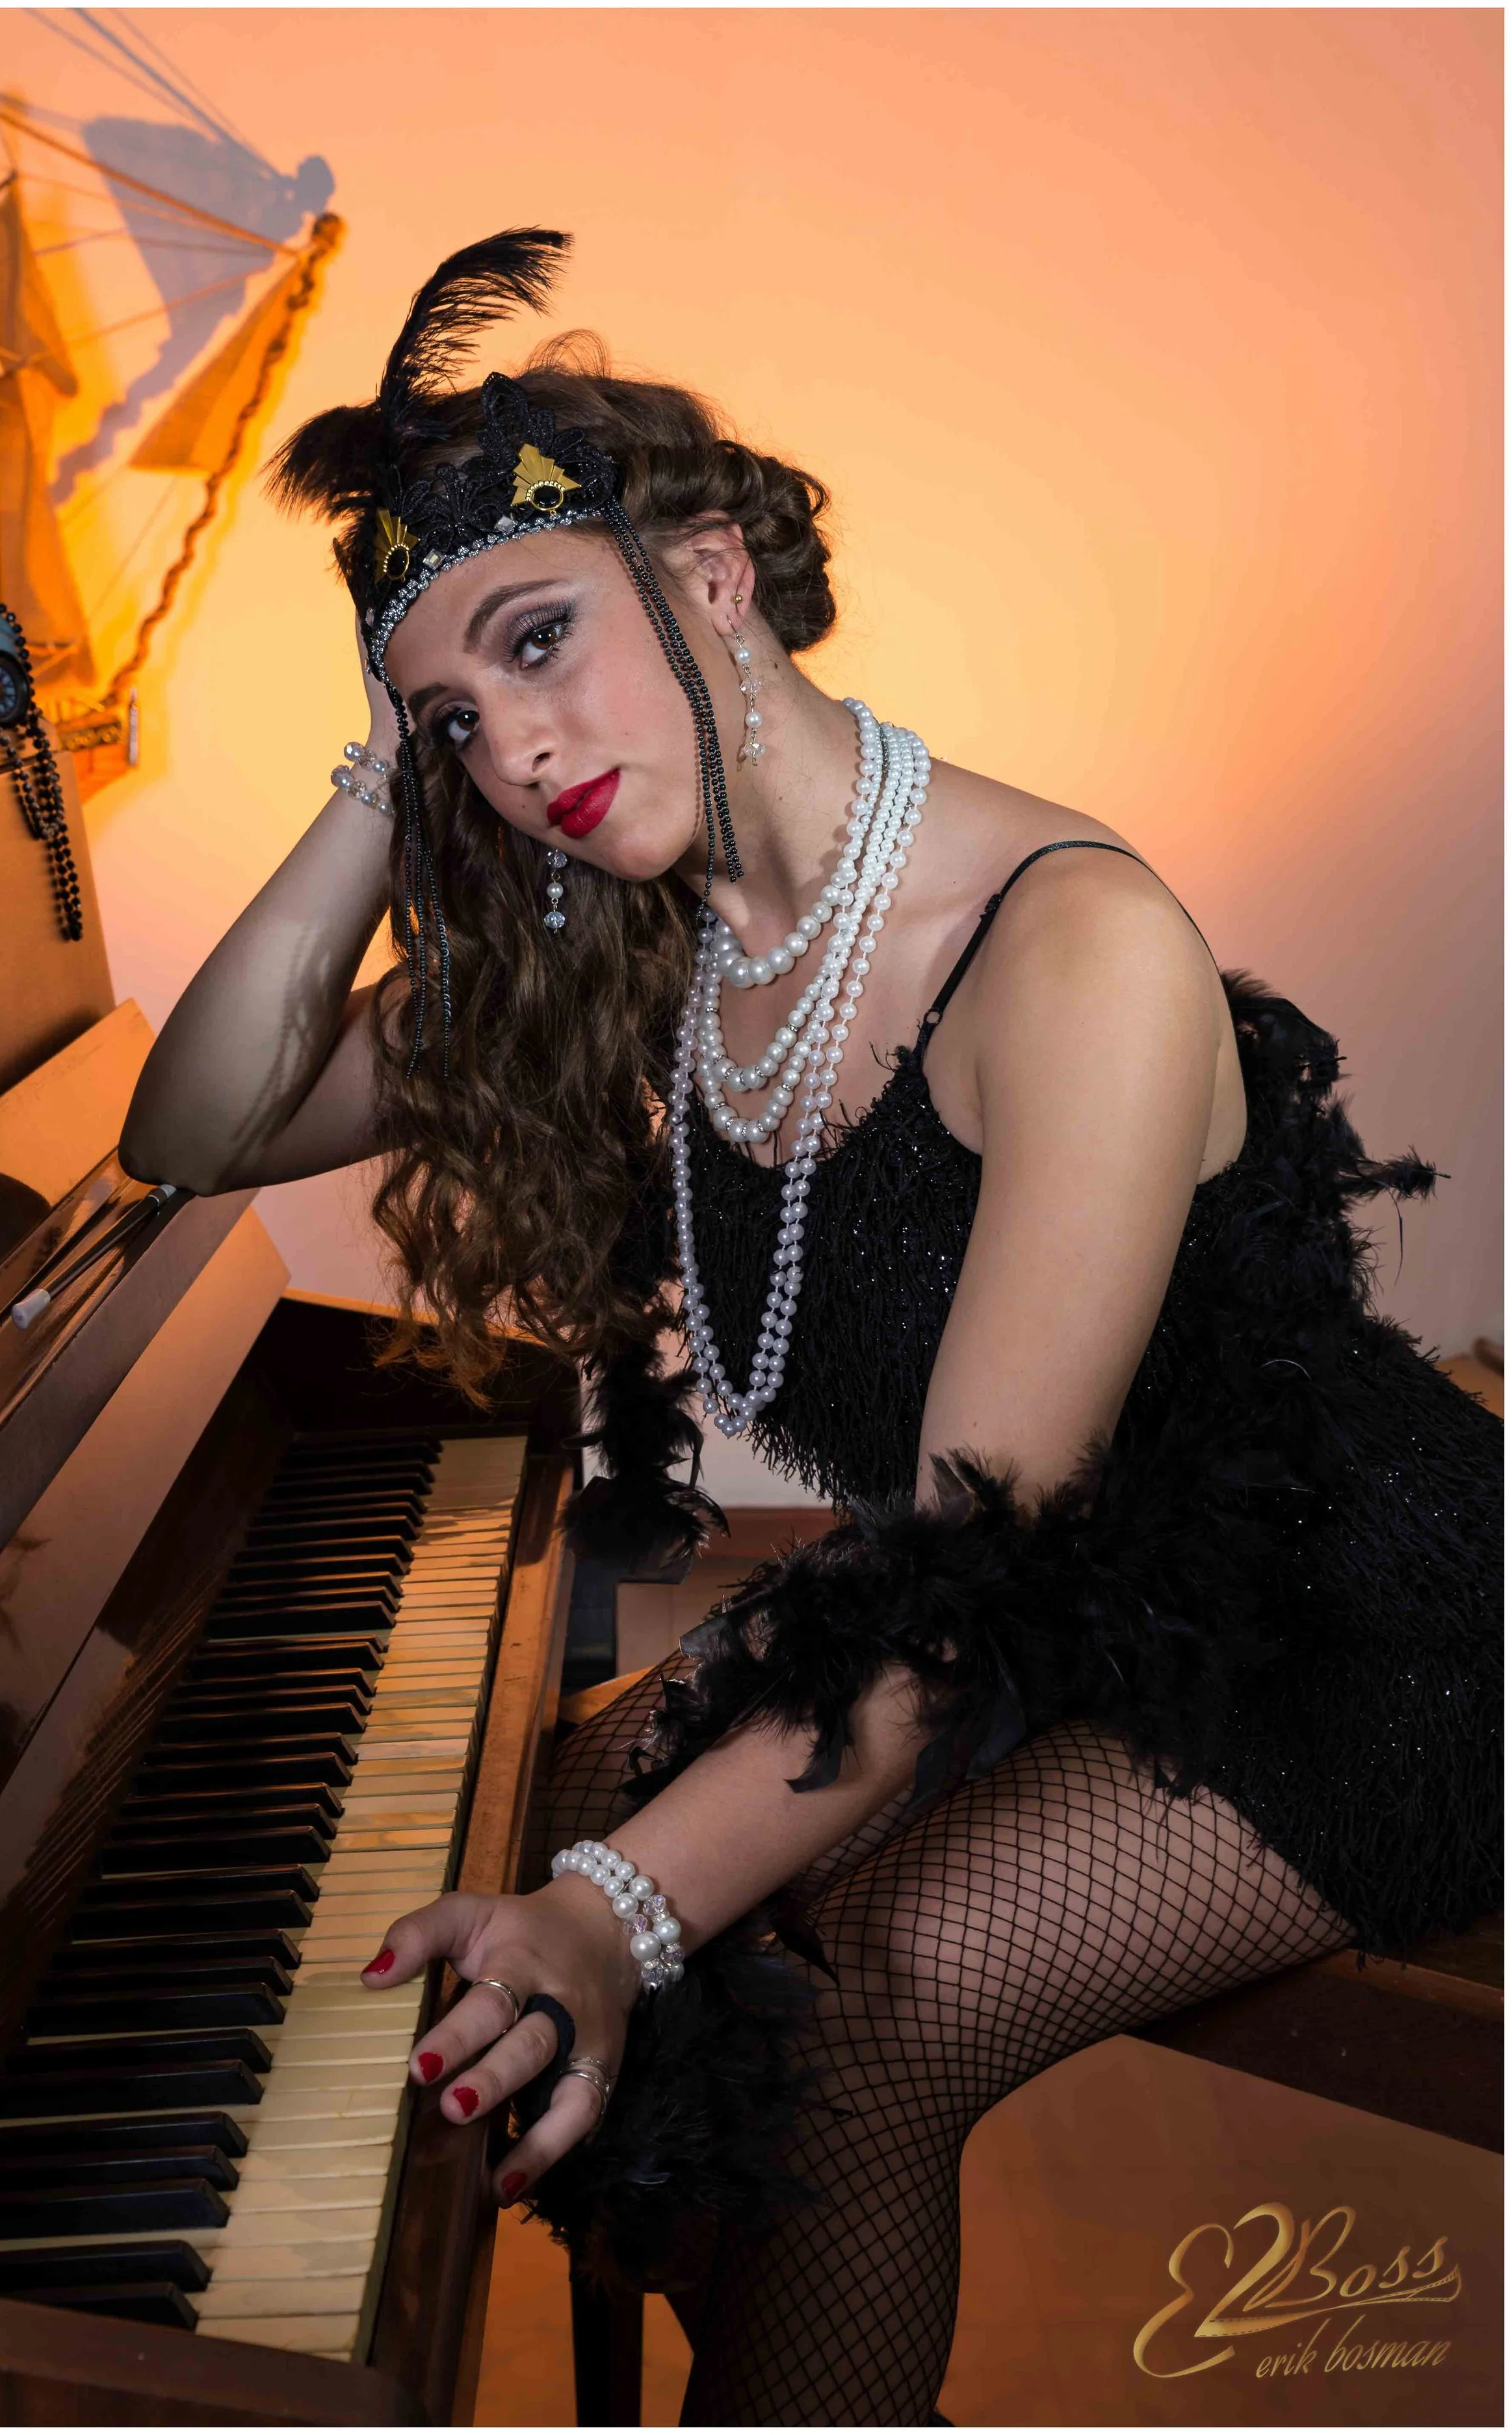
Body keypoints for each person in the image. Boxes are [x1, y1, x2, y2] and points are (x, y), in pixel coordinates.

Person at [120, 231, 1500, 2425]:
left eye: (546, 638)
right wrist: (374, 797)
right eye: (456, 716)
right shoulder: (645, 952)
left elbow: (972, 1560)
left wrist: (613, 1918)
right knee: (568, 1809)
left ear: (717, 568)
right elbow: (196, 1129)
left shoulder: (1068, 948)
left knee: (862, 2005)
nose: (520, 745)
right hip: (1042, 1609)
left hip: (1347, 1626)